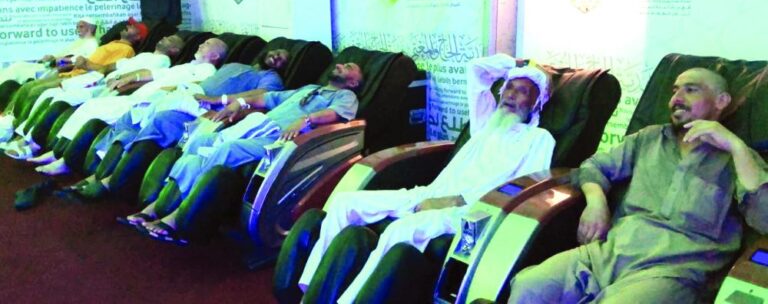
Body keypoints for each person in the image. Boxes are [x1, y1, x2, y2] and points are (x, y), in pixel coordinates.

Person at [294, 54, 555, 303]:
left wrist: (456, 200)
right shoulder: (486, 123)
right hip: (428, 193)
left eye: (522, 91)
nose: (511, 95)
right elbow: (476, 69)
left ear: (535, 103)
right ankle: (312, 290)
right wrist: (516, 63)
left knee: (398, 230)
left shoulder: (539, 139)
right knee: (344, 202)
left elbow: (522, 189)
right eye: (509, 87)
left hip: (469, 211)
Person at [507, 68, 768, 303]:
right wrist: (596, 203)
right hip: (608, 253)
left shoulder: (741, 160)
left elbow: (765, 220)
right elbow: (593, 167)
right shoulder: (648, 139)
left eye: (691, 90)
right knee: (529, 286)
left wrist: (736, 146)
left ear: (721, 101)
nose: (676, 98)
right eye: (674, 90)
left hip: (671, 272)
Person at [115, 62, 365, 244]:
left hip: (277, 140)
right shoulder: (308, 88)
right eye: (341, 63)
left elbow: (337, 115)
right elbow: (266, 99)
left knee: (228, 150)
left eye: (349, 67)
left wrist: (306, 120)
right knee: (201, 142)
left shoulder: (347, 95)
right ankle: (158, 206)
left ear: (354, 82)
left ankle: (177, 215)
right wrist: (237, 103)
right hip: (255, 128)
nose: (341, 65)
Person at [52, 48, 290, 194]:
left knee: (160, 121)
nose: (277, 57)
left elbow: (263, 96)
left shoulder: (270, 77)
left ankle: (108, 180)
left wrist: (219, 100)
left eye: (282, 59)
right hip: (187, 95)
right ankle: (98, 168)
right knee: (130, 116)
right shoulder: (233, 65)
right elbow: (199, 83)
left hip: (203, 110)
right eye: (278, 51)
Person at [34, 38, 228, 176]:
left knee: (92, 108)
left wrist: (165, 90)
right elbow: (152, 73)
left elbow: (192, 88)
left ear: (214, 55)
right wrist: (128, 77)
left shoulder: (208, 70)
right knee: (88, 107)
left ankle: (64, 159)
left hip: (149, 104)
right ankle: (59, 152)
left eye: (206, 44)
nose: (200, 45)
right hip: (136, 98)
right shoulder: (185, 66)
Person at [2, 34, 185, 160]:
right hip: (98, 80)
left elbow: (143, 77)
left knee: (59, 97)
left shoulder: (163, 61)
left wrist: (119, 80)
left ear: (175, 50)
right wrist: (86, 64)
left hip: (109, 89)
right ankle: (21, 136)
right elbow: (107, 68)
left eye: (169, 39)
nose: (163, 38)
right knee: (49, 94)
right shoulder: (143, 55)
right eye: (165, 36)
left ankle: (32, 145)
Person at [0, 18, 146, 141]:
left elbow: (105, 69)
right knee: (28, 86)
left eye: (133, 27)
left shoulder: (126, 50)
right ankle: (9, 120)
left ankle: (14, 129)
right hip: (68, 72)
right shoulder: (109, 44)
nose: (129, 26)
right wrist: (58, 62)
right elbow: (70, 60)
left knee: (35, 90)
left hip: (81, 77)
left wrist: (71, 63)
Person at [0, 18, 99, 85]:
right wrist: (52, 57)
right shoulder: (79, 41)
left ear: (91, 28)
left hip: (56, 70)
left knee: (17, 70)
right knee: (18, 65)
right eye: (77, 27)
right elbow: (62, 55)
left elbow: (80, 62)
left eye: (81, 26)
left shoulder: (92, 44)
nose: (78, 29)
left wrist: (58, 61)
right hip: (50, 66)